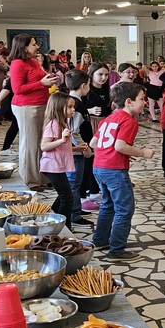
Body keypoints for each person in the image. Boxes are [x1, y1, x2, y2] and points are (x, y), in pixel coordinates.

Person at [90, 81, 154, 262]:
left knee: (108, 205)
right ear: (129, 102)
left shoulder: (108, 118)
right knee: (125, 209)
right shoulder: (129, 120)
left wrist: (114, 153)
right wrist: (142, 153)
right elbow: (119, 146)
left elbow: (94, 143)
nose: (144, 102)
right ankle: (117, 250)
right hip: (114, 170)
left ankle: (100, 240)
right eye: (142, 99)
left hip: (99, 167)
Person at [9, 34, 60, 189]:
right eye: (33, 44)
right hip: (26, 107)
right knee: (29, 144)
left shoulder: (33, 61)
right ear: (23, 47)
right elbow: (17, 89)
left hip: (41, 104)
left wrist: (49, 79)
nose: (37, 47)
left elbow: (40, 79)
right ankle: (30, 180)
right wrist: (41, 83)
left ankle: (42, 177)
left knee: (41, 143)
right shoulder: (17, 64)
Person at [39, 92, 76, 230]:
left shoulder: (62, 123)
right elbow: (44, 146)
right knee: (67, 198)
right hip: (51, 166)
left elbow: (61, 146)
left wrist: (77, 148)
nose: (73, 110)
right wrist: (61, 140)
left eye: (73, 106)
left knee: (64, 196)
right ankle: (64, 228)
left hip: (57, 166)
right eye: (70, 107)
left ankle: (52, 220)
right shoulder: (54, 124)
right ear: (59, 107)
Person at [81, 63, 112, 210]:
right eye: (100, 74)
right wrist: (90, 110)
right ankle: (86, 192)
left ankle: (95, 190)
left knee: (99, 158)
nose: (103, 78)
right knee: (89, 157)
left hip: (103, 124)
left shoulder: (107, 90)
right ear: (92, 74)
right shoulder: (86, 89)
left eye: (106, 75)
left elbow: (107, 108)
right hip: (90, 124)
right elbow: (77, 107)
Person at [65, 69, 93, 226]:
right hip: (75, 152)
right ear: (83, 86)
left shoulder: (73, 102)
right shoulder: (76, 105)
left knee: (75, 182)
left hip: (77, 150)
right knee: (74, 183)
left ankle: (77, 208)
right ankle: (74, 214)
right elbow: (74, 131)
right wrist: (83, 148)